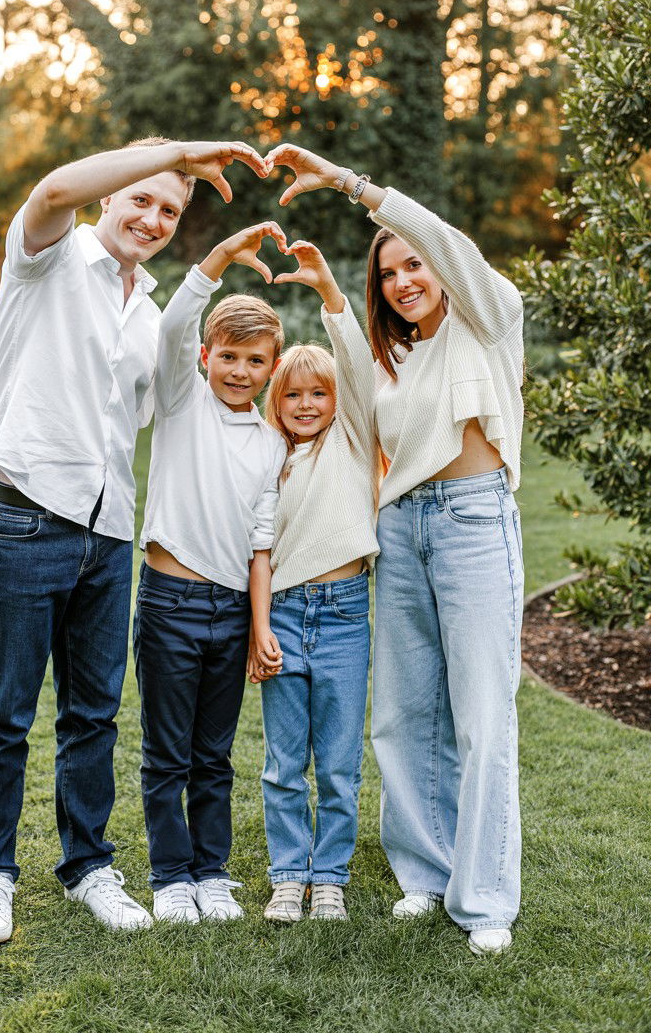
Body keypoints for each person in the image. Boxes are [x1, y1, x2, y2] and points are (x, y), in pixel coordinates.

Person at [0, 137, 268, 944]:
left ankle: (89, 866)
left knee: (93, 716)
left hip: (107, 535)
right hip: (23, 513)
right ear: (112, 197)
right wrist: (178, 152)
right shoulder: (47, 259)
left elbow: (169, 404)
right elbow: (55, 183)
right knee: (6, 714)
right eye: (142, 198)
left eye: (170, 210)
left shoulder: (151, 316)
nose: (154, 217)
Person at [263, 144, 525, 956]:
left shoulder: (489, 316)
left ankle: (484, 901)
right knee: (405, 716)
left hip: (475, 523)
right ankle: (424, 874)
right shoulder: (395, 361)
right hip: (403, 531)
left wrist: (351, 187)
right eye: (389, 274)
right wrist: (337, 292)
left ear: (442, 266)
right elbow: (350, 376)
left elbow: (447, 243)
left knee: (482, 716)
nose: (404, 280)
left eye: (415, 265)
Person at [135, 221, 288, 924]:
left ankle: (212, 872)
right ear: (205, 356)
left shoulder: (267, 445)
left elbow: (262, 542)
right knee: (167, 751)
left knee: (213, 754)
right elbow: (172, 325)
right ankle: (170, 875)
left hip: (231, 614)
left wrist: (256, 626)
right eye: (228, 356)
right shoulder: (181, 401)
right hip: (168, 602)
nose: (239, 371)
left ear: (270, 369)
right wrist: (223, 256)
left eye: (255, 361)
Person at [254, 239, 379, 923]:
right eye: (294, 394)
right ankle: (287, 876)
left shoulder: (351, 440)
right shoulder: (269, 459)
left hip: (343, 616)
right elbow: (259, 553)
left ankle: (327, 874)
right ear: (278, 402)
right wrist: (261, 627)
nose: (306, 404)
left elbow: (357, 368)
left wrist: (330, 291)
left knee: (335, 763)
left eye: (318, 394)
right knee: (282, 763)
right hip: (284, 617)